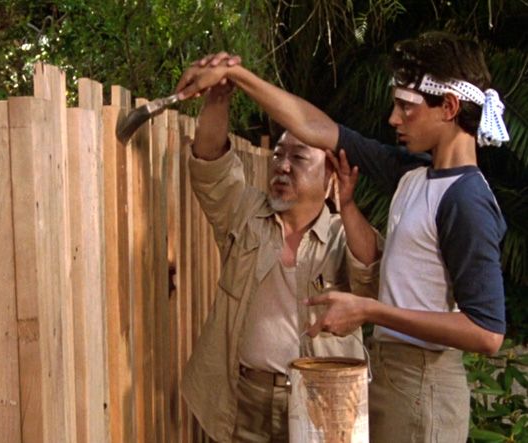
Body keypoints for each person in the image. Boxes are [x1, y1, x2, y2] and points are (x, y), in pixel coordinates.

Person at [176, 31, 508, 442]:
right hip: (393, 376)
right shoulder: (414, 176)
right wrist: (236, 75)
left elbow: (486, 332)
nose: (394, 119)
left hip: (424, 383)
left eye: (406, 106)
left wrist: (371, 311)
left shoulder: (466, 199)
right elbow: (315, 127)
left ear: (450, 107)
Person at [181, 77, 381, 442]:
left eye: (299, 157)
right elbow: (209, 167)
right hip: (243, 399)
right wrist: (219, 96)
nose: (283, 167)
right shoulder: (245, 213)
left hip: (321, 403)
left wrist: (348, 205)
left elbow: (370, 275)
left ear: (330, 175)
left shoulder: (343, 235)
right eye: (278, 155)